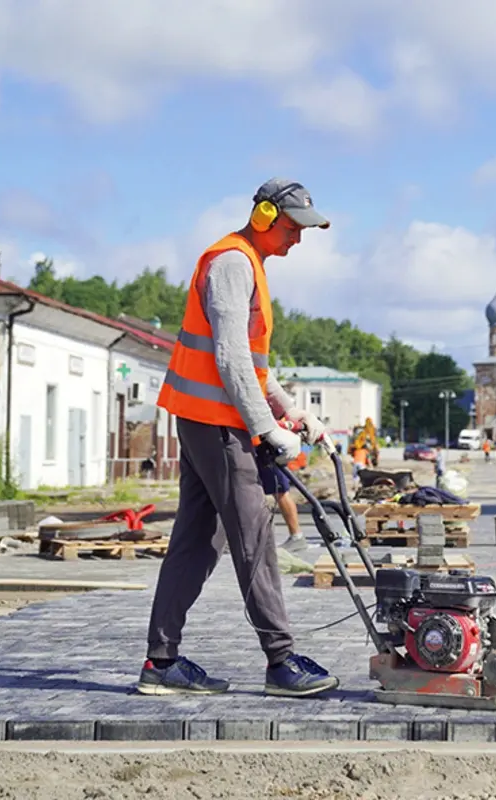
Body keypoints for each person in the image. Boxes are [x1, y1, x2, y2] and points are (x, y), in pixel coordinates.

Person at [139, 178, 337, 698]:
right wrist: (265, 429)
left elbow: (252, 364)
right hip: (216, 424)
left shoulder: (251, 263)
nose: (299, 239)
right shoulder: (231, 263)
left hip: (212, 419)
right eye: (294, 227)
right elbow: (228, 357)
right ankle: (281, 661)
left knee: (198, 541)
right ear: (267, 216)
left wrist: (293, 412)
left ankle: (161, 663)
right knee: (254, 536)